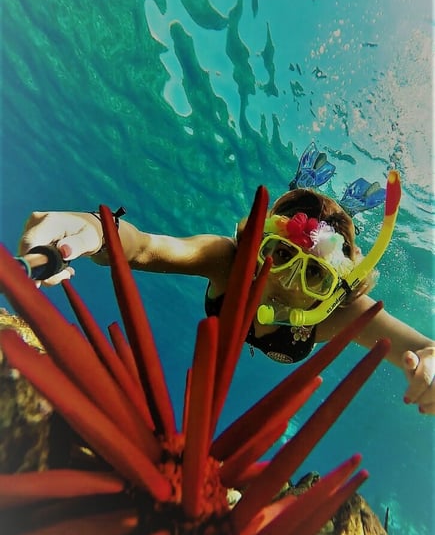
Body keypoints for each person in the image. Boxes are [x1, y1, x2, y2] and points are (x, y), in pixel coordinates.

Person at [17, 178, 434, 416]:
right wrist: (93, 228)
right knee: (305, 204)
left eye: (315, 277)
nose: (290, 283)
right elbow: (143, 247)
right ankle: (305, 186)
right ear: (256, 250)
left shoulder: (339, 314)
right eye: (281, 255)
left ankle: (347, 208)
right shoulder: (227, 263)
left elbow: (423, 350)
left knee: (330, 227)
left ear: (334, 292)